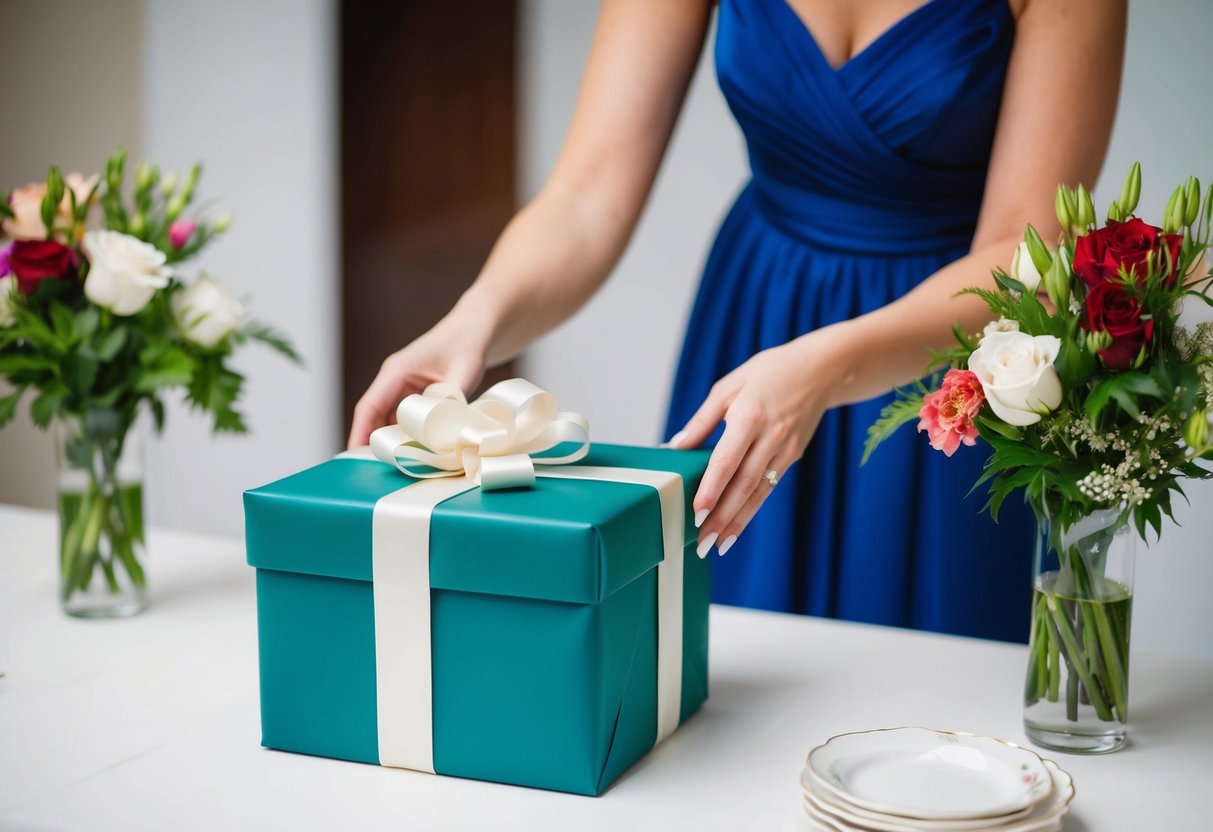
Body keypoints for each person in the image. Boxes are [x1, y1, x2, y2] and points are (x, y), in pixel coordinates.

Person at [348, 0, 1125, 642]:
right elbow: (588, 193)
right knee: (711, 677)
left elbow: (1021, 255)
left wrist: (826, 369)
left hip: (949, 366)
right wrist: (473, 323)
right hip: (757, 320)